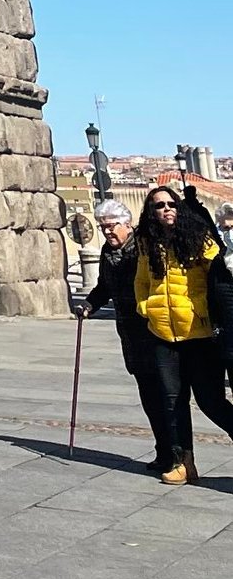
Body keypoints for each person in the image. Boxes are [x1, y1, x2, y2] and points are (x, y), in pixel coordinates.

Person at [131, 183, 233, 486]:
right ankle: (182, 463)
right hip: (162, 332)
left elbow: (221, 275)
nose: (165, 210)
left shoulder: (199, 239)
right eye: (158, 206)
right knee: (171, 400)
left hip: (199, 333)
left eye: (169, 204)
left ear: (179, 207)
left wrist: (206, 310)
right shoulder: (146, 243)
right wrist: (145, 307)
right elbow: (140, 280)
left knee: (210, 400)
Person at [83, 194, 189, 476]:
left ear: (127, 224)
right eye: (103, 227)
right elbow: (104, 286)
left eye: (112, 225)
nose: (107, 231)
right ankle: (163, 450)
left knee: (167, 396)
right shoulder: (107, 253)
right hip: (130, 335)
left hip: (154, 331)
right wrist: (90, 304)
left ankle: (177, 454)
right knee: (149, 396)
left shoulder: (143, 247)